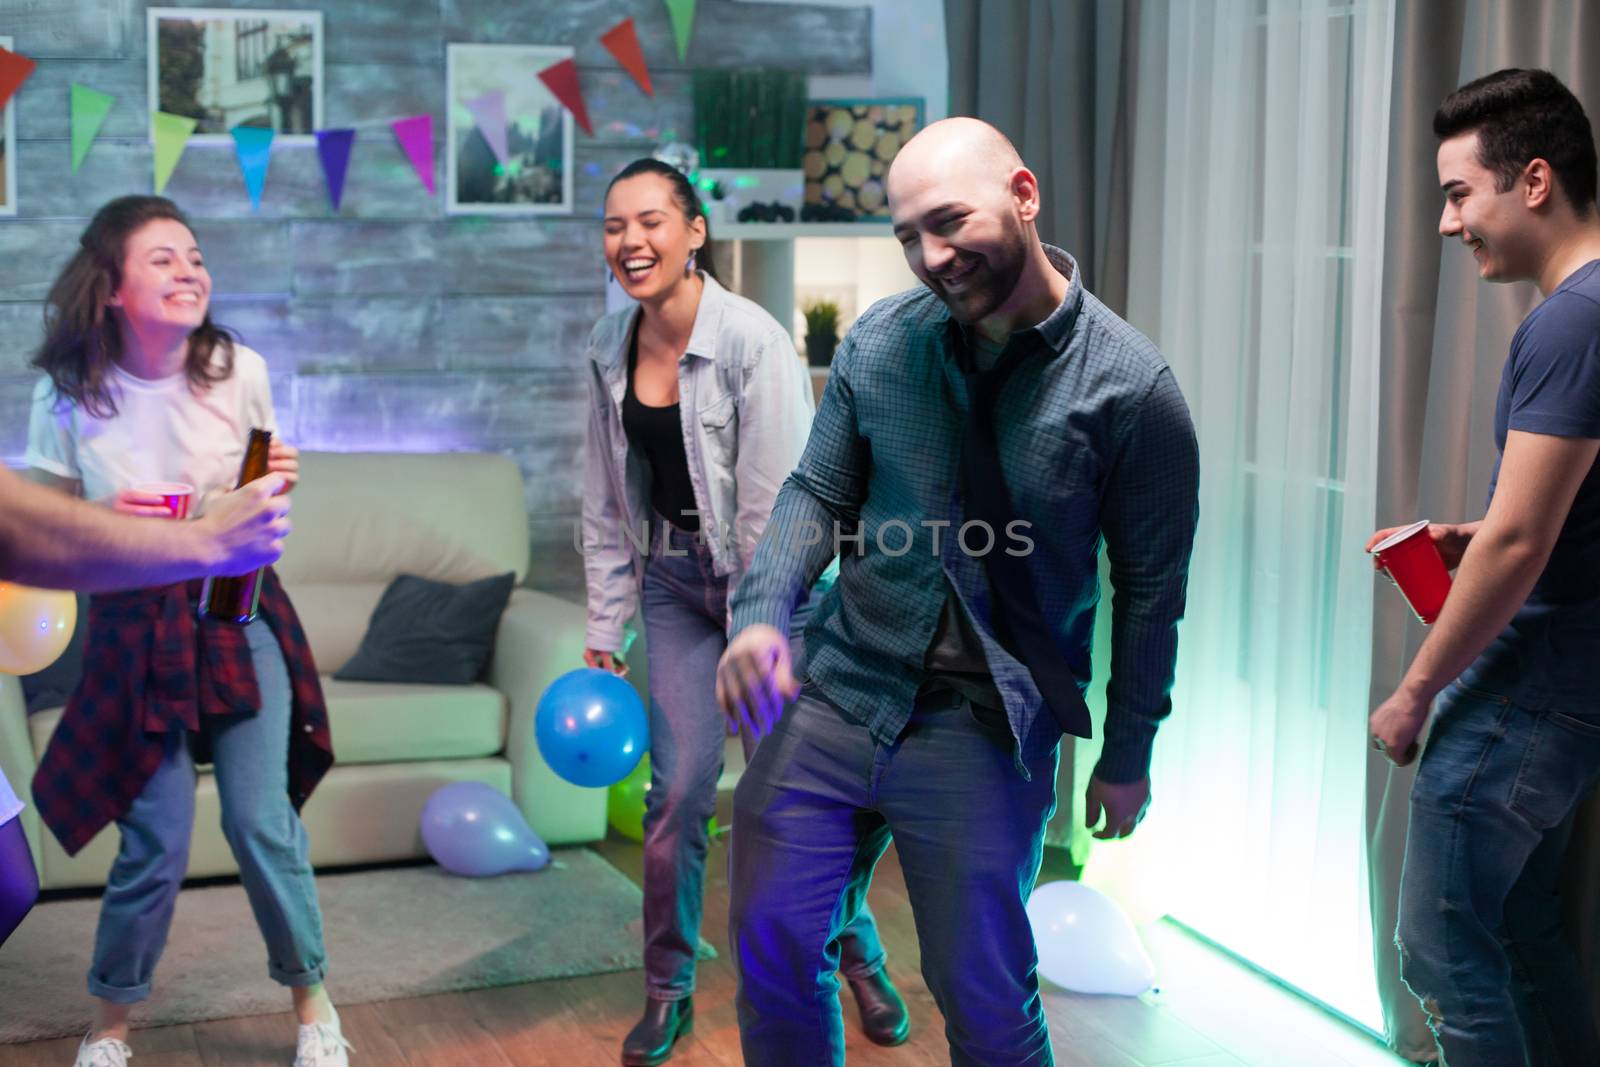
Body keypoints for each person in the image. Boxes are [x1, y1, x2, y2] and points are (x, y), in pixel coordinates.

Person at [716, 117, 1200, 1065]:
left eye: (947, 222)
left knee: (982, 999)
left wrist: (1129, 749)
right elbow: (819, 489)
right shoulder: (882, 343)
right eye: (907, 237)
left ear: (1022, 195)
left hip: (988, 724)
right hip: (841, 686)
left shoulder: (1135, 392)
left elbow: (1151, 590)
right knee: (772, 950)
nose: (930, 257)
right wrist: (764, 615)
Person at [581, 158, 906, 1067]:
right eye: (613, 226)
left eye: (650, 221)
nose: (630, 241)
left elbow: (787, 502)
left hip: (772, 593)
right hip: (677, 586)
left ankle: (854, 949)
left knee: (792, 804)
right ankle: (668, 990)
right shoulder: (608, 347)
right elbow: (608, 500)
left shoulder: (751, 341)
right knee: (678, 794)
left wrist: (762, 620)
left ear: (694, 232)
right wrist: (606, 627)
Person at [24, 195, 349, 1067]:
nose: (190, 270)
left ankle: (315, 1007)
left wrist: (273, 480)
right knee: (158, 836)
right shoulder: (66, 390)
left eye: (196, 256)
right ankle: (110, 1025)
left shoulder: (238, 368)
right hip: (132, 628)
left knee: (259, 820)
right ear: (110, 288)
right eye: (163, 258)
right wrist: (104, 515)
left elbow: (262, 501)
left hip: (235, 610)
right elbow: (41, 531)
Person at [1368, 68, 1600, 1066]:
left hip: (1528, 689)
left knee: (1441, 948)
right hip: (1570, 684)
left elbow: (1521, 546)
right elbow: (1539, 518)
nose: (1445, 222)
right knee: (1518, 930)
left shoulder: (1573, 318)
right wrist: (1484, 525)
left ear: (1534, 179)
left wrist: (1415, 691)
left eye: (1458, 192)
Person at [0, 467, 292, 953]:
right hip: (139, 633)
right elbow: (19, 529)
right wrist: (208, 539)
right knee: (153, 841)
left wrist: (104, 521)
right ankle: (113, 1010)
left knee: (11, 887)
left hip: (218, 620)